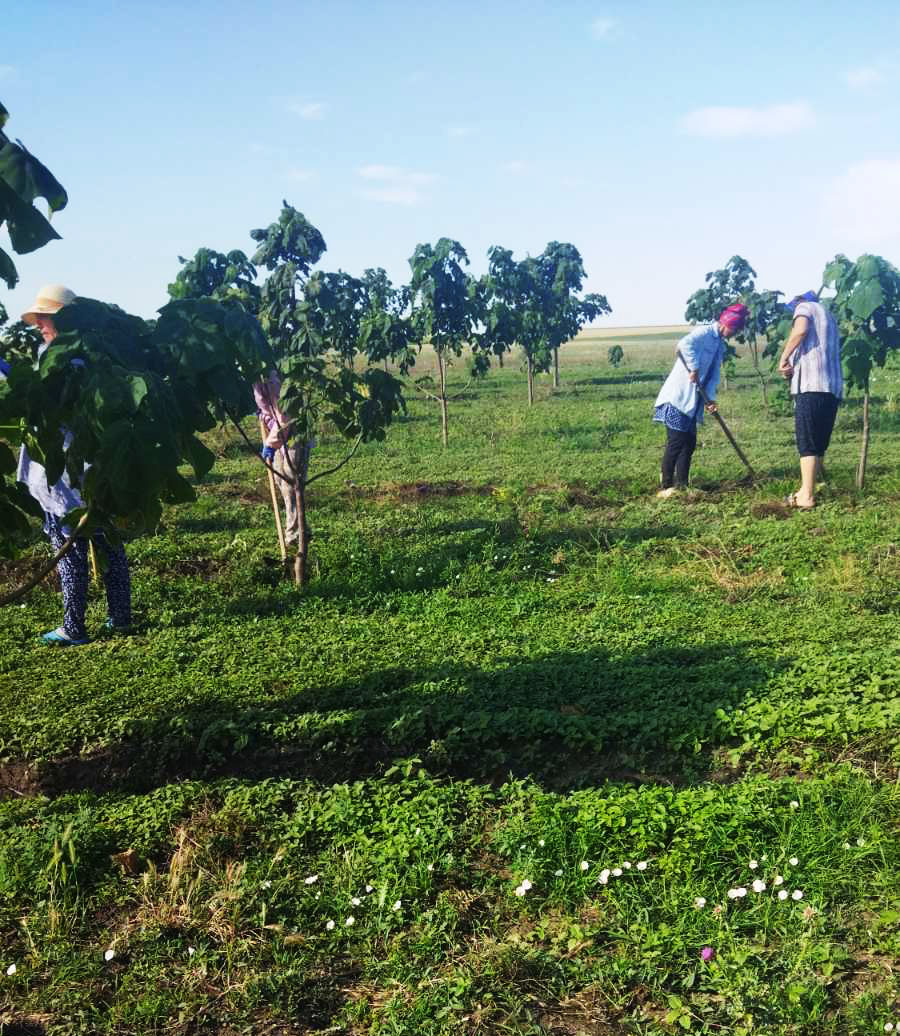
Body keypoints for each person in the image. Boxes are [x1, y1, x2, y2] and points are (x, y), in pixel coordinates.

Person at [18, 285, 132, 645]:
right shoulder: (94, 357)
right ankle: (120, 617)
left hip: (68, 472)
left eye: (46, 318)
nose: (40, 325)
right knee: (109, 542)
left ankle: (74, 627)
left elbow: (50, 410)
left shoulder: (65, 361)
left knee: (69, 549)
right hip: (96, 467)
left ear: (64, 320)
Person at [653, 303, 749, 497]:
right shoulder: (704, 333)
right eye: (735, 329)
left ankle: (682, 485)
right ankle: (666, 487)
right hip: (678, 397)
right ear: (727, 323)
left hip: (694, 401)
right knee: (676, 441)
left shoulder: (719, 345)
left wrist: (710, 400)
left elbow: (713, 375)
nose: (735, 333)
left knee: (689, 443)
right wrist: (694, 367)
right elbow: (683, 344)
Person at [777, 291, 842, 509]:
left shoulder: (804, 308)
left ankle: (805, 496)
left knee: (807, 443)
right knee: (819, 442)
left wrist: (784, 357)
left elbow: (800, 331)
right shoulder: (830, 317)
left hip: (811, 386)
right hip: (832, 387)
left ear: (798, 301)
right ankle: (813, 486)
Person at [253, 370, 312, 544]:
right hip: (276, 431)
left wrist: (270, 445)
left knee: (291, 481)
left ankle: (294, 533)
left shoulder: (271, 379)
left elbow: (284, 417)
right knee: (281, 480)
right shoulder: (252, 377)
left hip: (294, 433)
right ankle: (301, 529)